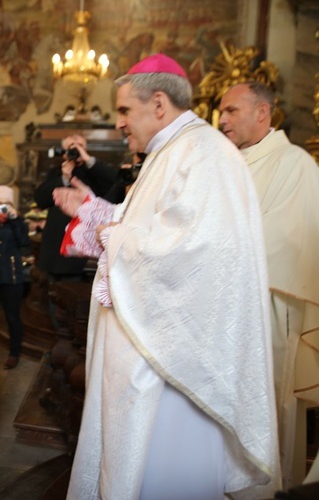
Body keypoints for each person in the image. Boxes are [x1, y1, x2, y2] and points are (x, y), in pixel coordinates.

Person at [56, 54, 279, 498]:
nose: (119, 123)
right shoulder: (172, 152)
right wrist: (99, 213)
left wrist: (110, 234)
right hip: (152, 346)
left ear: (159, 104)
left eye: (124, 110)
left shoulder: (203, 153)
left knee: (164, 475)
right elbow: (153, 227)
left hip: (172, 364)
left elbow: (190, 252)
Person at [219, 81, 319, 487]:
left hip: (267, 315)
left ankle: (264, 488)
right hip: (221, 310)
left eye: (231, 111)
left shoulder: (294, 163)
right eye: (220, 111)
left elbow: (294, 237)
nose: (221, 119)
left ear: (263, 113)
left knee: (263, 413)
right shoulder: (228, 162)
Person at [33, 133, 117, 333]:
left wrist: (88, 161)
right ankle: (62, 338)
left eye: (80, 146)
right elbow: (40, 199)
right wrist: (63, 177)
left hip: (83, 253)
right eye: (72, 147)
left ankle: (75, 340)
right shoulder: (55, 173)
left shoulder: (94, 173)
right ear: (63, 152)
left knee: (80, 303)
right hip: (57, 250)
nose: (75, 150)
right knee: (56, 300)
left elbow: (115, 185)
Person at [0, 185, 30, 369]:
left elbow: (24, 242)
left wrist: (16, 219)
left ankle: (14, 353)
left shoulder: (18, 222)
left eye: (6, 204)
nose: (2, 207)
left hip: (12, 278)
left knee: (13, 317)